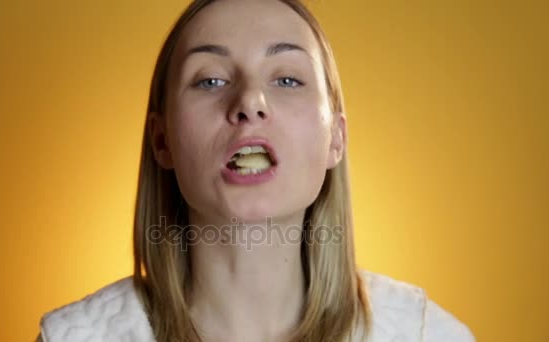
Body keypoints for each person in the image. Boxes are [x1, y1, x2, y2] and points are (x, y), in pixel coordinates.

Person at [36, 0, 475, 341]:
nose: (250, 101)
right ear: (162, 140)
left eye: (286, 79)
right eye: (210, 80)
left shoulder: (429, 335)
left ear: (336, 139)